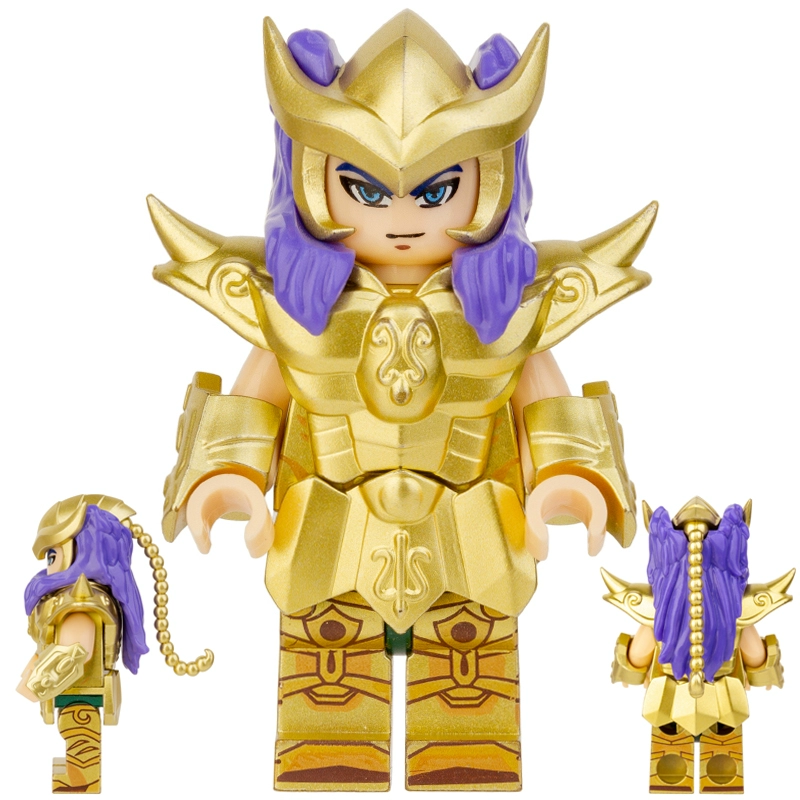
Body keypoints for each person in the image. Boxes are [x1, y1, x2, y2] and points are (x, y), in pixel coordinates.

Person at [149, 11, 656, 790]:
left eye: (436, 191)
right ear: (310, 176)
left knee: (469, 721)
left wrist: (568, 479)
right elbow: (255, 402)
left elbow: (547, 406)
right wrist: (230, 478)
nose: (402, 221)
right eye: (365, 190)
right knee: (326, 721)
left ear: (492, 180)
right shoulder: (300, 313)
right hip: (325, 532)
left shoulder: (503, 316)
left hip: (475, 532)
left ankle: (464, 763)